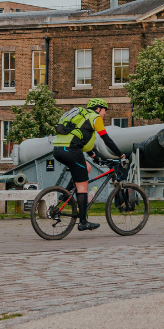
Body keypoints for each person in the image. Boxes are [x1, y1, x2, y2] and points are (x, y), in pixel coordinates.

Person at [52, 98, 124, 232]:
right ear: (98, 109)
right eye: (104, 110)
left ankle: (66, 194)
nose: (105, 114)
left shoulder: (82, 117)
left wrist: (93, 156)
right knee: (83, 185)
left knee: (87, 167)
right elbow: (106, 139)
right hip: (71, 150)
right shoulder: (95, 118)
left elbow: (78, 136)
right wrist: (121, 155)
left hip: (58, 150)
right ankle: (83, 222)